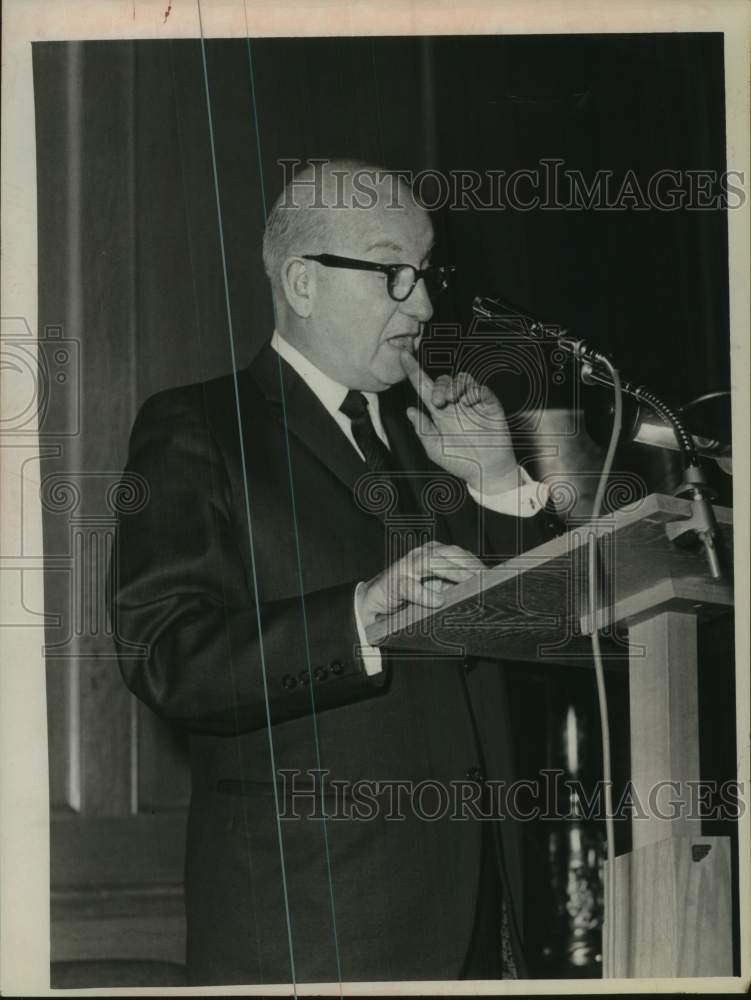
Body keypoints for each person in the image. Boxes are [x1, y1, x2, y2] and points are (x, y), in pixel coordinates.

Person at [111, 159, 555, 985]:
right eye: (393, 273)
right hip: (309, 927)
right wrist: (357, 617)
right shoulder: (200, 428)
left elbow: (541, 639)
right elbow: (165, 655)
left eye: (426, 275)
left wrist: (497, 479)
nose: (422, 306)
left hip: (479, 923)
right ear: (303, 283)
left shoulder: (436, 444)